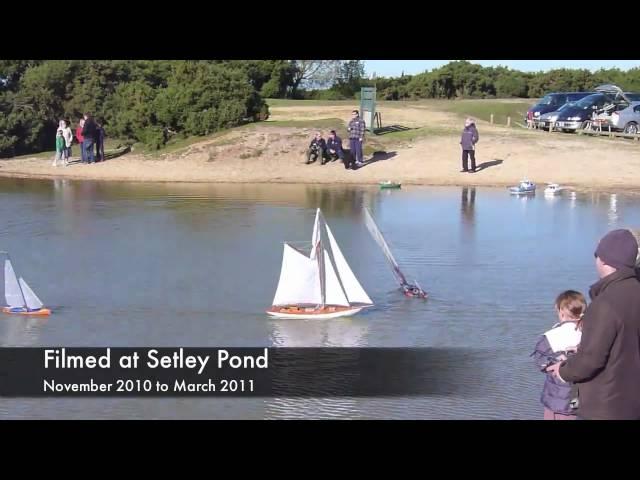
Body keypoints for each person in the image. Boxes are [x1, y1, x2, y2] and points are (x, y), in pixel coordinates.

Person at [547, 229, 640, 420]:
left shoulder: (605, 304)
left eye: (596, 255)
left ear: (604, 259)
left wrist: (563, 370)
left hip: (607, 406)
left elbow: (591, 360)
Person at [531, 290, 587, 420]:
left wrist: (557, 361)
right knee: (574, 411)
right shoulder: (591, 333)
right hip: (578, 395)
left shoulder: (552, 336)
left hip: (555, 397)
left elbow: (540, 362)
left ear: (561, 312)